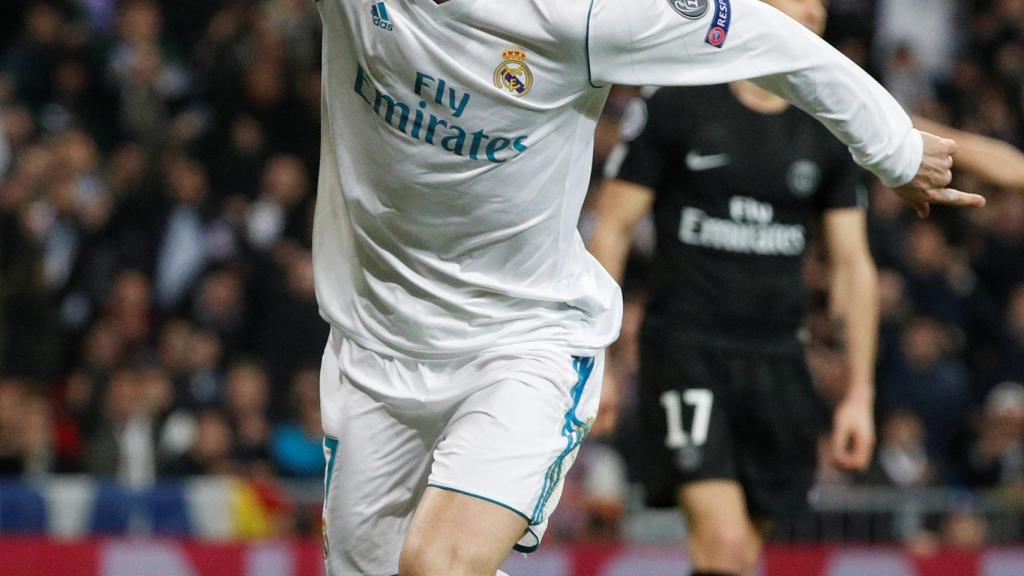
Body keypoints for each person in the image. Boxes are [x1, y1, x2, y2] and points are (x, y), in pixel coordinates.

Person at [312, 0, 983, 574]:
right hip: (374, 348)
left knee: (436, 565)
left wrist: (895, 147)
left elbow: (766, 35)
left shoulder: (584, 16)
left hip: (521, 345)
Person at [587, 2, 1014, 575]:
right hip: (688, 352)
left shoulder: (827, 124)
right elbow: (612, 228)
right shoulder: (677, 99)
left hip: (781, 362)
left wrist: (859, 394)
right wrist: (602, 359)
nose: (814, 8)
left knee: (740, 557)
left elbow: (851, 265)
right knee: (724, 544)